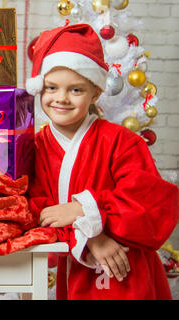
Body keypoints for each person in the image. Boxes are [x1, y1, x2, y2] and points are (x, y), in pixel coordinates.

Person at [25, 24, 178, 300]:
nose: (60, 98)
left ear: (95, 93)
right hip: (75, 269)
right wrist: (90, 236)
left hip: (125, 266)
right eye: (51, 87)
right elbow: (39, 210)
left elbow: (148, 203)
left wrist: (82, 210)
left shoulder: (121, 141)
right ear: (40, 88)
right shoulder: (36, 147)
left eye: (75, 90)